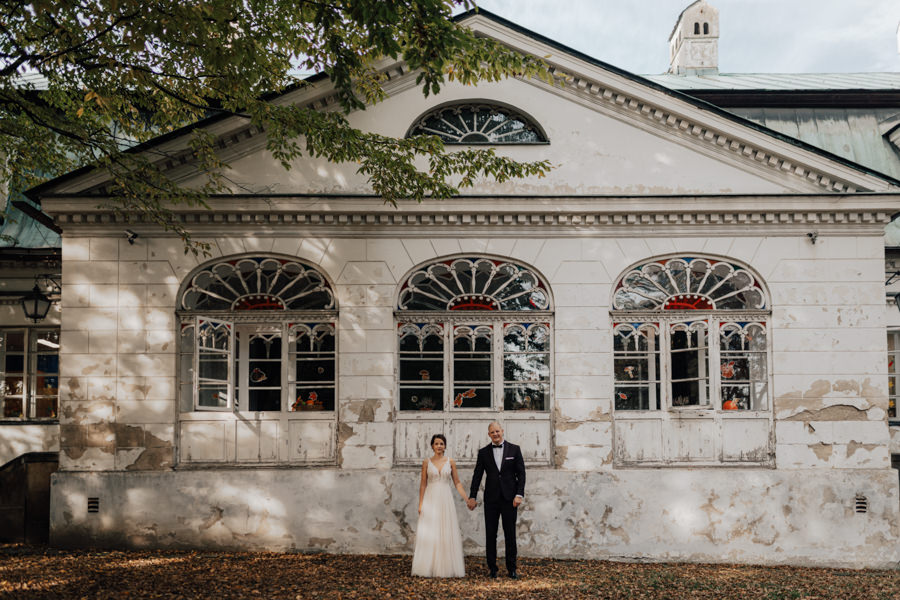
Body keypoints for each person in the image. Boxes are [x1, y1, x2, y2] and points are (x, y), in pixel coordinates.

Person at [467, 421, 526, 579]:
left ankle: (511, 568)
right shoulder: (483, 452)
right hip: (491, 500)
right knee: (490, 534)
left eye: (497, 431)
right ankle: (492, 568)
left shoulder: (515, 449)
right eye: (492, 432)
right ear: (489, 435)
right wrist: (472, 496)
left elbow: (521, 474)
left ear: (502, 431)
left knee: (510, 535)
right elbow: (477, 476)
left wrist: (519, 494)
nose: (495, 434)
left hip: (510, 499)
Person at [411, 433, 469, 577]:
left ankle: (445, 567)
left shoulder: (451, 461)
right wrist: (420, 504)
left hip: (445, 498)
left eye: (441, 443)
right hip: (430, 498)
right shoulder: (426, 462)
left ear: (445, 446)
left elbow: (457, 483)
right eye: (436, 443)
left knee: (445, 530)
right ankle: (427, 566)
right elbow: (423, 484)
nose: (439, 446)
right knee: (431, 530)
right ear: (432, 446)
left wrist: (467, 499)